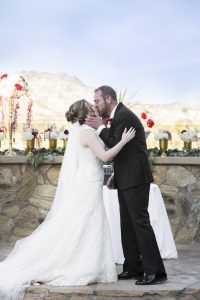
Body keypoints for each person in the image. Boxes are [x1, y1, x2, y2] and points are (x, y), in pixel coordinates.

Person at [0, 99, 135, 300]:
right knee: (87, 221)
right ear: (86, 114)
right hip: (88, 183)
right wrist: (124, 141)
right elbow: (105, 156)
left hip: (88, 181)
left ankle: (88, 261)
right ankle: (82, 265)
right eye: (92, 108)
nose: (95, 109)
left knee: (87, 221)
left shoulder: (81, 132)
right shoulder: (87, 133)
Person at [85, 86, 167, 285]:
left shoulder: (124, 116)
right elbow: (123, 151)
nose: (95, 104)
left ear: (109, 99)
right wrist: (116, 175)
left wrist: (100, 127)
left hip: (136, 178)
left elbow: (114, 143)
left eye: (97, 101)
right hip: (126, 177)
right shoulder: (119, 115)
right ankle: (132, 267)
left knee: (140, 222)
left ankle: (155, 272)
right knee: (127, 224)